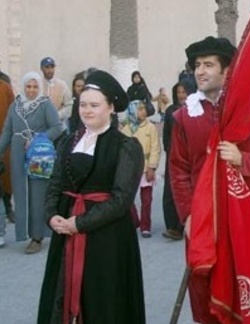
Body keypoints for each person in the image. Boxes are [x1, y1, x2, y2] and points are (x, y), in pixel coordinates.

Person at [169, 36, 250, 323]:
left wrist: (244, 160)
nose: (200, 71)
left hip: (246, 215)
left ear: (227, 71)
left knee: (248, 283)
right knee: (205, 287)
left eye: (209, 65)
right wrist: (187, 217)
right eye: (197, 65)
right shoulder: (184, 116)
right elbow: (179, 170)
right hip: (203, 217)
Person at [37, 70, 146, 323]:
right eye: (83, 104)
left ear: (110, 108)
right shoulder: (67, 142)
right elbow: (55, 183)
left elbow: (121, 200)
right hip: (66, 233)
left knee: (103, 300)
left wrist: (80, 223)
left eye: (94, 105)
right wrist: (52, 215)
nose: (86, 110)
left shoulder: (126, 146)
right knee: (61, 293)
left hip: (107, 238)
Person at [0, 71, 64, 253]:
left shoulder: (45, 105)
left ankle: (37, 236)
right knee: (20, 193)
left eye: (35, 86)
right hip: (18, 153)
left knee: (38, 193)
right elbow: (6, 132)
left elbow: (57, 127)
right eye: (28, 86)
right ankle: (23, 233)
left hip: (38, 154)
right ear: (23, 86)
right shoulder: (15, 106)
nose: (31, 90)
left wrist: (38, 138)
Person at [121, 101, 160, 238]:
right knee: (128, 198)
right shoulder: (126, 129)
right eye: (139, 109)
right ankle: (134, 220)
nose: (143, 112)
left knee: (147, 199)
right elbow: (123, 151)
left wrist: (152, 167)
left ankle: (145, 226)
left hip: (146, 168)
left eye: (144, 109)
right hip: (131, 169)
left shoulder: (150, 128)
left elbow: (155, 148)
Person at [161, 82, 187, 240]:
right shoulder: (171, 110)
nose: (181, 95)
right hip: (173, 155)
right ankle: (173, 226)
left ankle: (188, 223)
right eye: (179, 92)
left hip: (190, 156)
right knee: (170, 191)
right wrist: (169, 149)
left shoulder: (195, 109)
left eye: (184, 91)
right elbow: (166, 134)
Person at [40, 57, 73, 130]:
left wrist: (57, 115)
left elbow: (69, 106)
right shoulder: (38, 85)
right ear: (41, 68)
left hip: (59, 127)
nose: (50, 70)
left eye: (52, 67)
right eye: (47, 67)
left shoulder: (62, 85)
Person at [0, 78, 13, 247]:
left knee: (3, 184)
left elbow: (12, 114)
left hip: (3, 142)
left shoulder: (4, 88)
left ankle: (0, 231)